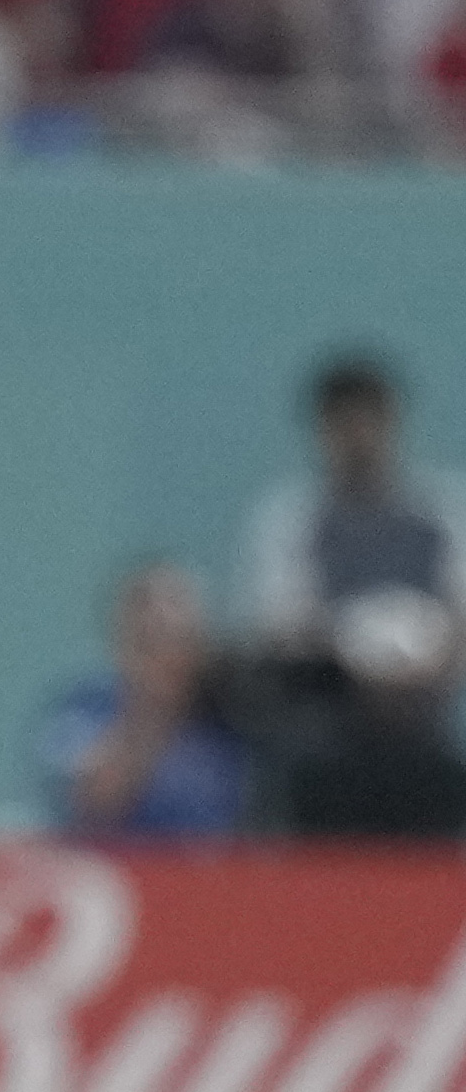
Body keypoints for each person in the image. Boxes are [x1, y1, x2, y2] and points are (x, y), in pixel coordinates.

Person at [235, 352, 466, 839]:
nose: (357, 439)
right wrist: (357, 665)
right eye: (343, 426)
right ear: (322, 431)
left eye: (368, 422)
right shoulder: (292, 520)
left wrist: (426, 667)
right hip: (330, 734)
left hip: (426, 727)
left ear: (391, 422)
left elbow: (459, 616)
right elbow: (284, 630)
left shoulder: (442, 514)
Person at [35, 560, 245, 839]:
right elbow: (96, 800)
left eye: (182, 636)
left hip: (217, 874)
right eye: (152, 639)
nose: (170, 652)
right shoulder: (86, 708)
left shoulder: (226, 715)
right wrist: (155, 705)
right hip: (119, 872)